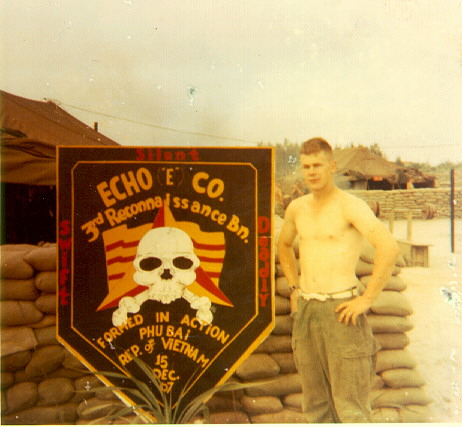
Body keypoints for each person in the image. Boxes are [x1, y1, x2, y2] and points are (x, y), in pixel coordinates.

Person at [277, 137, 400, 423]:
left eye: (318, 165)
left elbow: (389, 247)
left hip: (341, 311)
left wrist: (367, 299)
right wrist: (294, 287)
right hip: (307, 312)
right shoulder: (297, 208)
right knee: (315, 404)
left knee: (350, 407)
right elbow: (283, 245)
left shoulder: (350, 206)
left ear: (332, 166)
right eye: (306, 166)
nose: (312, 172)